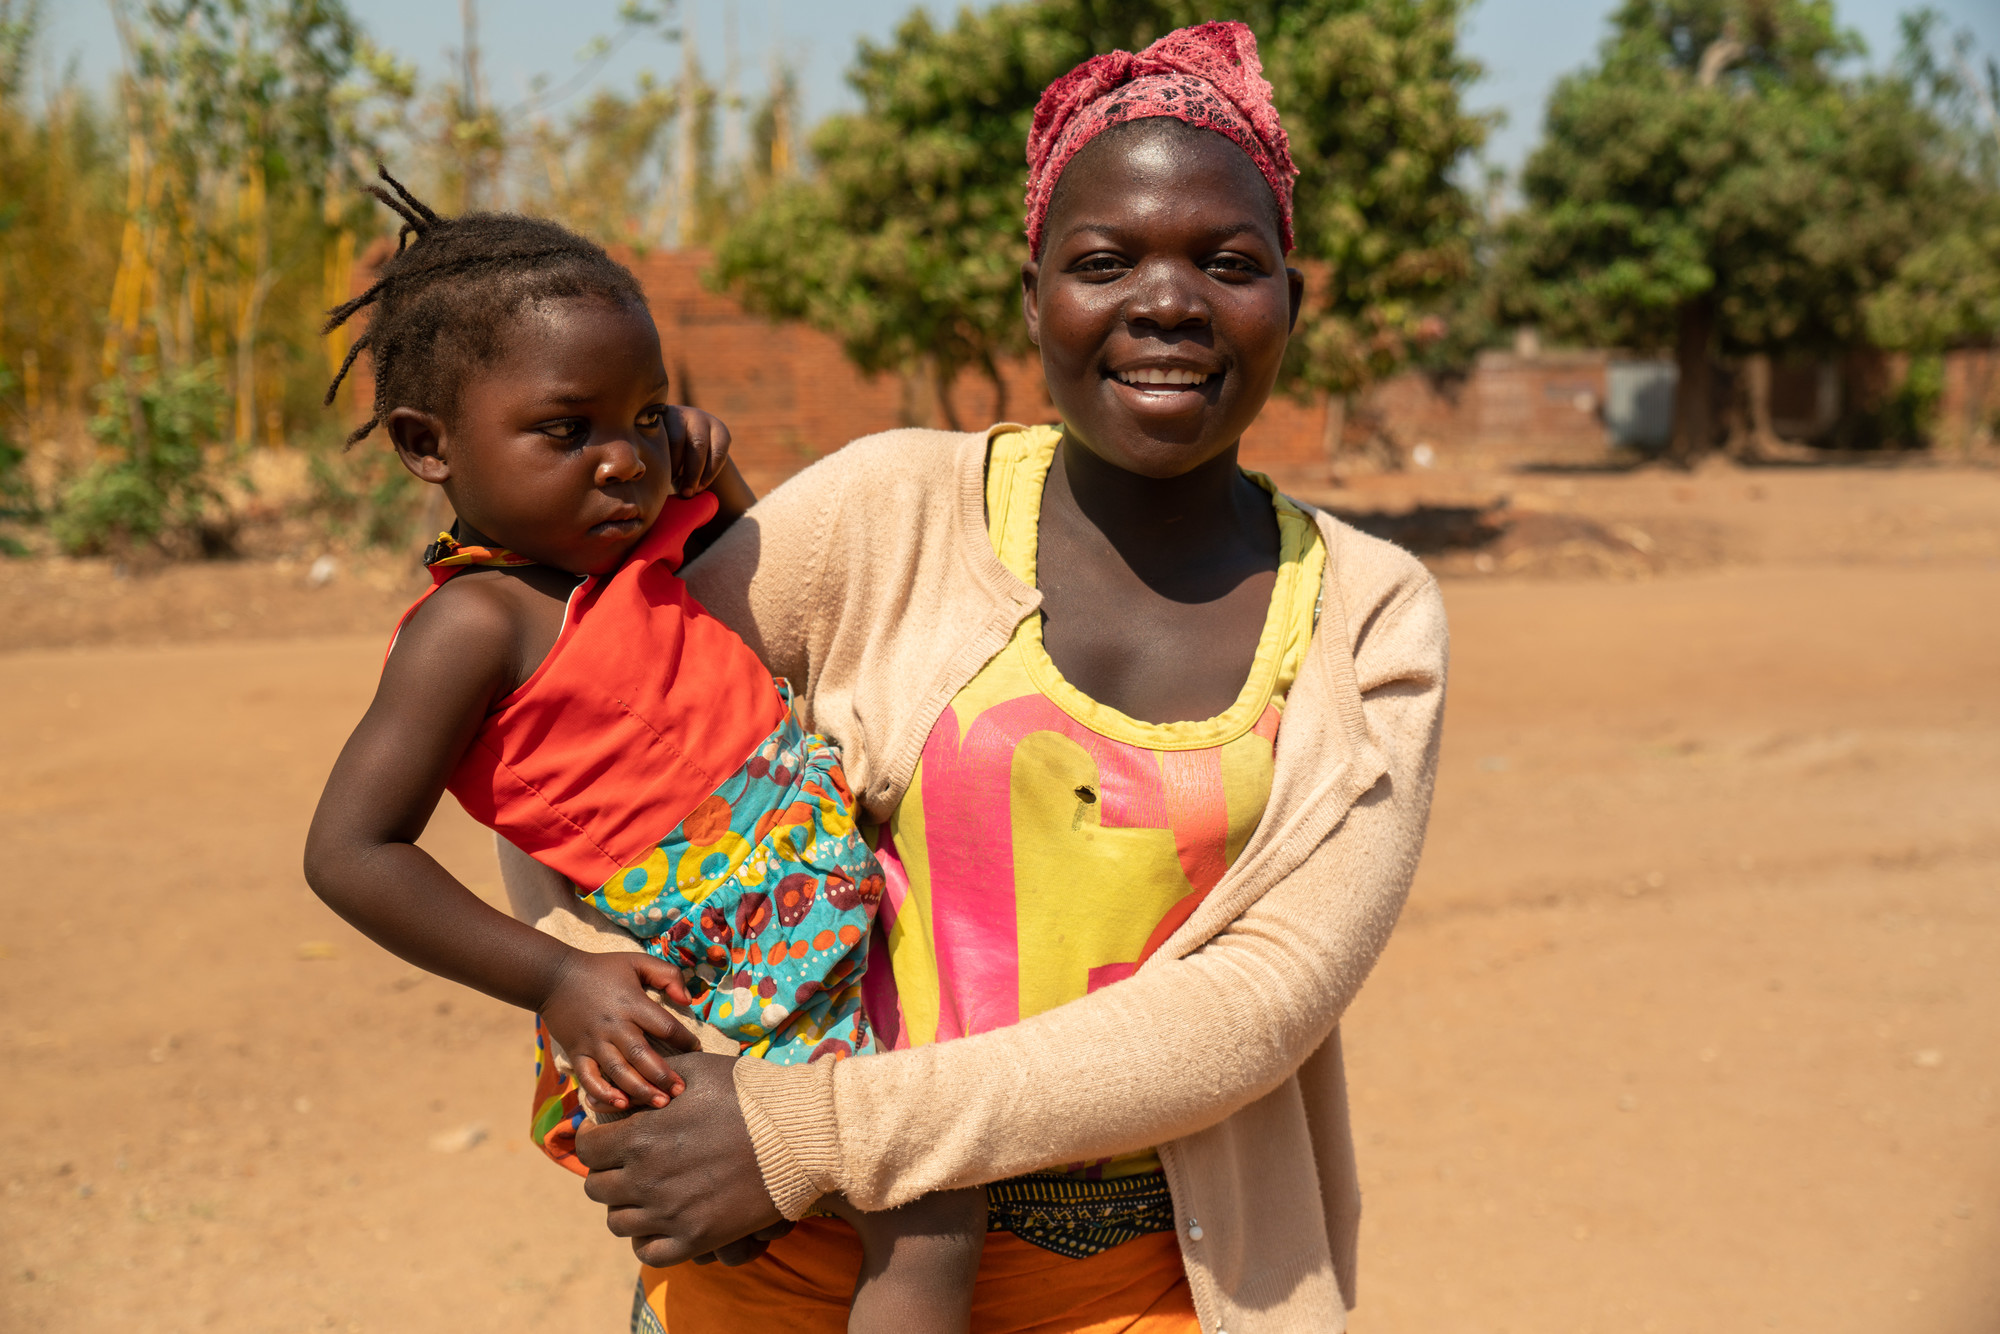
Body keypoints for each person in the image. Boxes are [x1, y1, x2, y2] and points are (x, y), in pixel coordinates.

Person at [507, 21, 1450, 1334]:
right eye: (1106, 260)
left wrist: (816, 1127)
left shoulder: (1368, 613)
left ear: (1295, 295)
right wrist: (621, 1029)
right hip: (781, 1271)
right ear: (1034, 298)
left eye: (1228, 263)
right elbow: (586, 738)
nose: (1167, 301)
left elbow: (1257, 1004)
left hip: (1135, 1278)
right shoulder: (887, 514)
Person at [301, 173, 987, 1332]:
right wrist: (556, 974)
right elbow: (348, 852)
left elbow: (778, 601)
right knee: (922, 1202)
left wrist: (715, 476)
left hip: (816, 932)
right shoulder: (476, 626)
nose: (622, 457)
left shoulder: (640, 544)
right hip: (719, 973)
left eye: (645, 414)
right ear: (427, 445)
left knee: (799, 1228)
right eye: (568, 429)